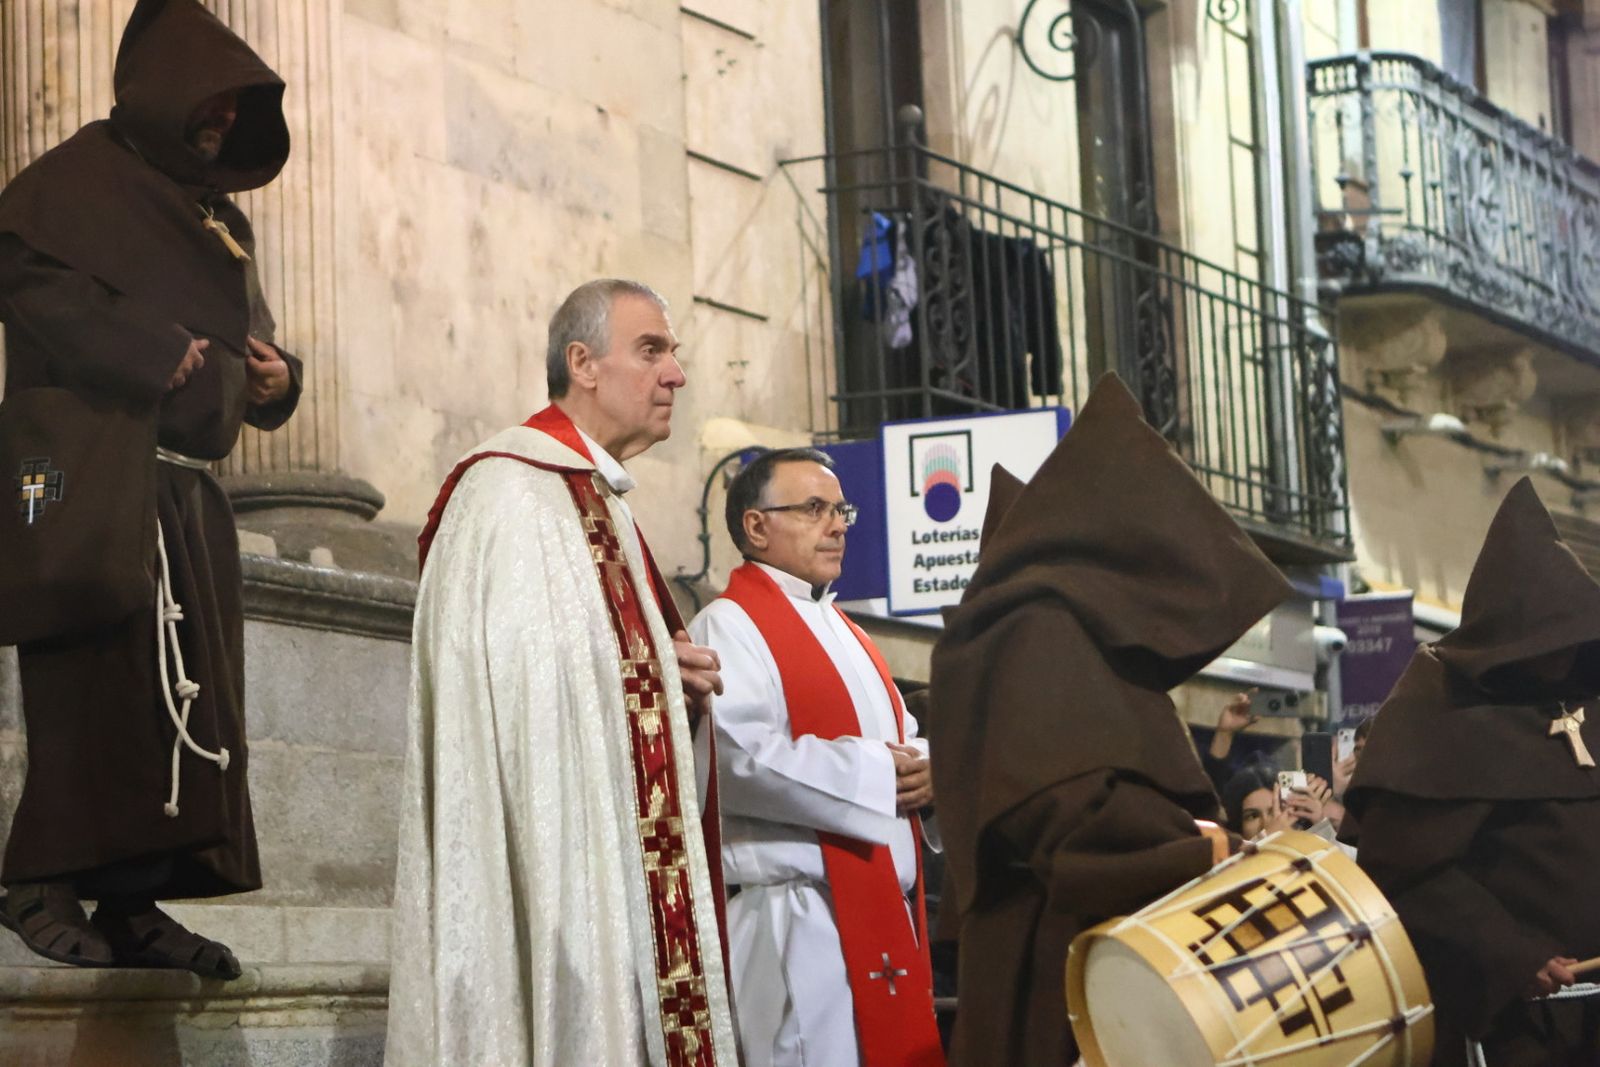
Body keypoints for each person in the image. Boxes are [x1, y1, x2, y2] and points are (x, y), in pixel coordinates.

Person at [0, 0, 300, 979]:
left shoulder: (218, 219)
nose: (216, 126)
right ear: (159, 95)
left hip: (184, 495)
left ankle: (134, 899)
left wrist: (274, 381)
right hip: (94, 482)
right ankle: (39, 880)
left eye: (230, 113)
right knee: (92, 684)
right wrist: (149, 349)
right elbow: (27, 275)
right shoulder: (74, 186)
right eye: (204, 108)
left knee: (185, 702)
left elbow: (251, 336)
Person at [386, 279, 739, 1066]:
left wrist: (654, 667)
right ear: (582, 362)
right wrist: (641, 666)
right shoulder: (508, 490)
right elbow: (512, 696)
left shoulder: (599, 499)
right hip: (556, 877)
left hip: (611, 870)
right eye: (652, 350)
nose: (676, 373)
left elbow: (584, 662)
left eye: (673, 354)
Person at [928, 373, 1294, 1067]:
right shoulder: (1034, 629)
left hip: (1103, 963)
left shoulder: (1066, 631)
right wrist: (1198, 843)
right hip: (1058, 974)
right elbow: (1059, 814)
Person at [689, 448, 945, 1067]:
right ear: (757, 526)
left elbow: (902, 734)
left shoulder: (851, 634)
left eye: (840, 510)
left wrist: (934, 773)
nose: (837, 525)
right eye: (813, 509)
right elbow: (738, 757)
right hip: (794, 924)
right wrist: (882, 772)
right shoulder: (727, 625)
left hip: (886, 915)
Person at [1342, 477, 1600, 1066]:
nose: (1562, 655)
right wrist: (1511, 954)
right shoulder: (1439, 711)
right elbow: (1406, 874)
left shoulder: (1587, 698)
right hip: (1525, 1027)